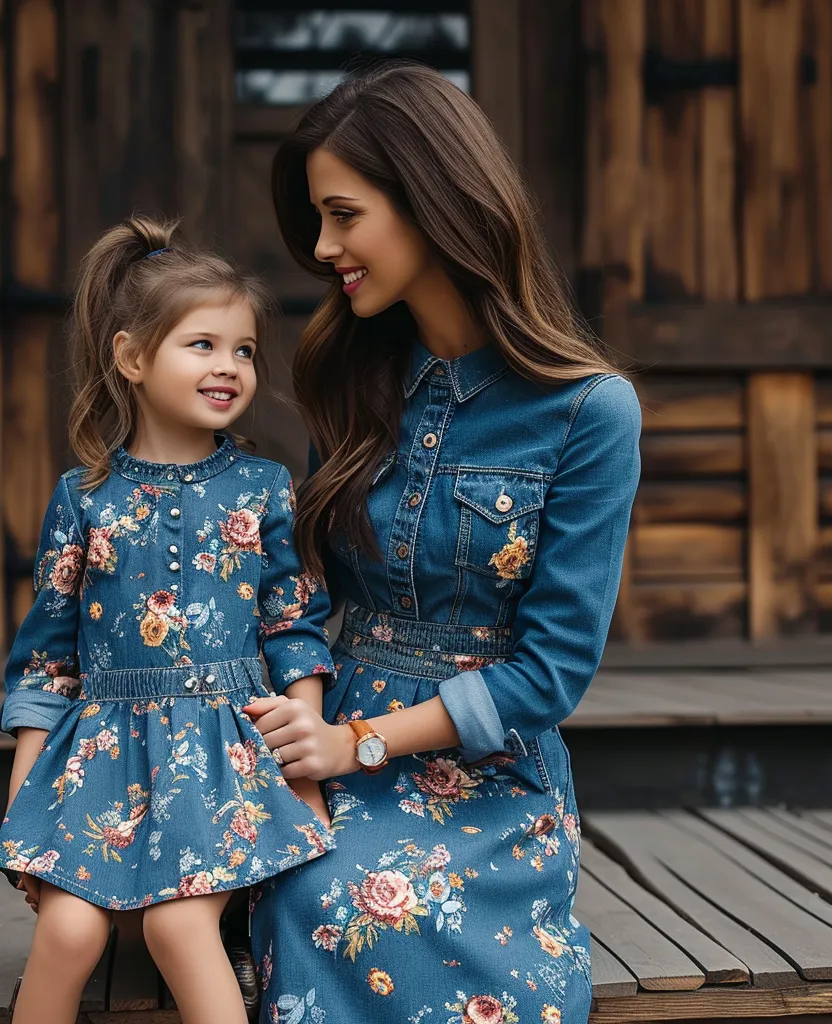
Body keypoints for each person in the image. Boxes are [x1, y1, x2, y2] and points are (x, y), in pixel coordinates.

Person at [243, 62, 641, 1024]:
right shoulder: (348, 372)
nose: (326, 247)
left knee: (355, 907)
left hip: (487, 770)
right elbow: (295, 593)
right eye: (320, 221)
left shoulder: (591, 411)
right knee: (269, 889)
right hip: (326, 734)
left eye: (345, 215)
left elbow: (550, 675)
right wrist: (309, 739)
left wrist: (359, 744)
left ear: (431, 202)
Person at [0, 216, 335, 1024]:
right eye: (202, 345)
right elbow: (46, 661)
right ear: (132, 358)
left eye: (244, 350)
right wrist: (24, 795)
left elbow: (293, 624)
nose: (229, 366)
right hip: (102, 760)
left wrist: (306, 766)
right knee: (69, 930)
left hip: (225, 754)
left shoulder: (264, 487)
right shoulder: (82, 498)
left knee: (180, 924)